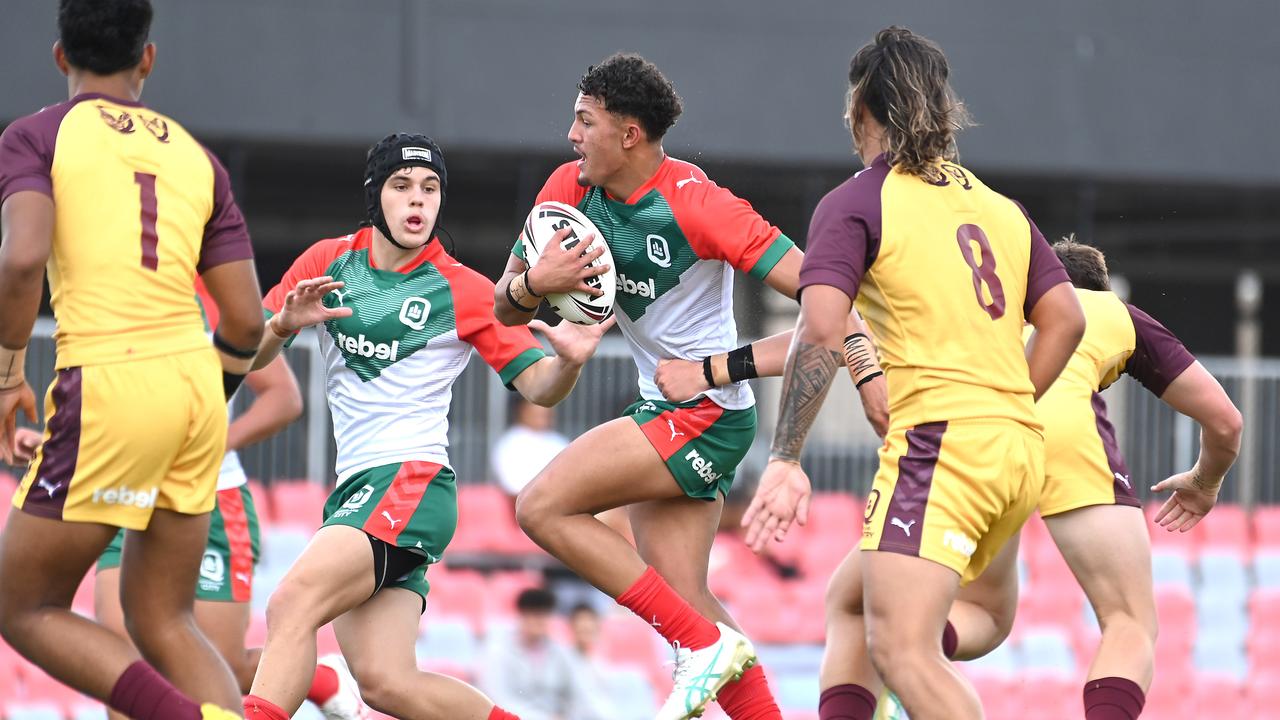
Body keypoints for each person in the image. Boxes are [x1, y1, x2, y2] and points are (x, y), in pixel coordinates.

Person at [494, 52, 883, 720]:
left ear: (629, 135)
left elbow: (835, 309)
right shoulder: (568, 186)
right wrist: (536, 284)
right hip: (662, 406)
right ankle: (719, 663)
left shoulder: (701, 206)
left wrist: (718, 369)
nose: (570, 135)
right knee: (685, 598)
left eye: (584, 121)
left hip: (705, 413)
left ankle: (699, 647)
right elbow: (505, 307)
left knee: (540, 508)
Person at [741, 27, 1086, 720]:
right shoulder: (1000, 208)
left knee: (901, 650)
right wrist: (1004, 402)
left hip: (943, 448)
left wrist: (784, 458)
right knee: (854, 602)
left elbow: (820, 331)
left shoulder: (858, 201)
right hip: (1018, 447)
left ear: (862, 108)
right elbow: (1067, 321)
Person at [240, 132, 612, 720]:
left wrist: (567, 360)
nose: (418, 200)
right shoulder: (327, 260)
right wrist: (282, 325)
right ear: (375, 197)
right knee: (387, 685)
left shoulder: (465, 288)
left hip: (411, 483)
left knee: (292, 604)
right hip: (357, 493)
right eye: (402, 186)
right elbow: (251, 355)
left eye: (431, 188)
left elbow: (538, 386)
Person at [0, 1, 263, 718]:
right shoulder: (196, 157)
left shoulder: (36, 136)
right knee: (163, 619)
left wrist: (5, 373)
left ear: (60, 56)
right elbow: (245, 319)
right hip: (196, 389)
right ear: (147, 59)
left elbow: (22, 259)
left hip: (112, 378)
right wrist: (200, 400)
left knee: (22, 605)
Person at [893, 237, 1243, 720]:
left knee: (988, 617)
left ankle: (902, 656)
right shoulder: (1108, 310)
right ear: (1098, 288)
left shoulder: (989, 310)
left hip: (968, 437)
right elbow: (1226, 422)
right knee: (1130, 621)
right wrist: (1205, 483)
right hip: (1057, 430)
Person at [478, 588, 604, 720]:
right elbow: (498, 699)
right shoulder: (499, 651)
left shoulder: (559, 652)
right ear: (522, 615)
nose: (541, 621)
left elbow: (579, 694)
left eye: (545, 615)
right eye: (535, 614)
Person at [492, 398, 570, 498]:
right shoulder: (509, 444)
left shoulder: (559, 441)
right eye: (538, 405)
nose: (544, 410)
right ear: (522, 410)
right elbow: (514, 488)